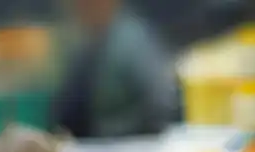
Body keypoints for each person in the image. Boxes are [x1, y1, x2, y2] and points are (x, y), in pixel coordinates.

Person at [51, 0, 180, 139]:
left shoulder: (132, 41)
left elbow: (163, 102)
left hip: (132, 150)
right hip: (94, 151)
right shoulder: (88, 45)